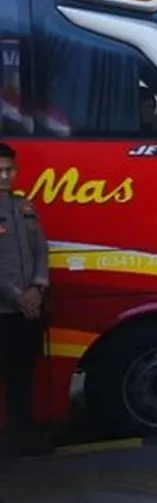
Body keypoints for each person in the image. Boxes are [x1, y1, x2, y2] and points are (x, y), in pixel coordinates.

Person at [0, 141, 49, 456]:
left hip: (26, 311)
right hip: (4, 311)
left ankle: (23, 438)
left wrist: (37, 288)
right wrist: (18, 296)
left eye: (9, 170)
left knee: (23, 377)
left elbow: (42, 251)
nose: (5, 176)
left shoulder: (24, 206)